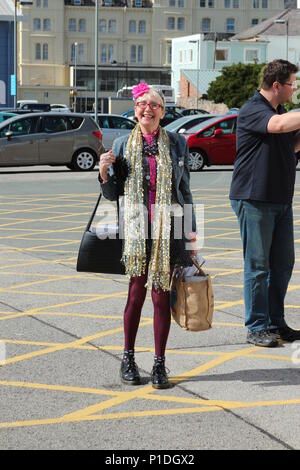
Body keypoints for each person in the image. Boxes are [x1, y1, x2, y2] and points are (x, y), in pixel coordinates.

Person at [99, 83, 197, 388]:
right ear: (135, 111)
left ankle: (159, 364)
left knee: (160, 298)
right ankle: (127, 359)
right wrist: (103, 173)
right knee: (135, 295)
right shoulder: (120, 146)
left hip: (169, 230)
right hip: (136, 231)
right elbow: (112, 193)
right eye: (142, 103)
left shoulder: (177, 144)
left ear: (164, 113)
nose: (147, 109)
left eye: (154, 104)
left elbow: (185, 192)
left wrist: (192, 239)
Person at [230, 59, 300, 348]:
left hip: (280, 198)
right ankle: (256, 326)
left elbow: (290, 143)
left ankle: (274, 321)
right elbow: (279, 126)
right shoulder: (253, 110)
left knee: (283, 264)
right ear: (276, 86)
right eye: (291, 84)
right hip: (254, 197)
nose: (294, 89)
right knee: (258, 265)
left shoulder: (279, 111)